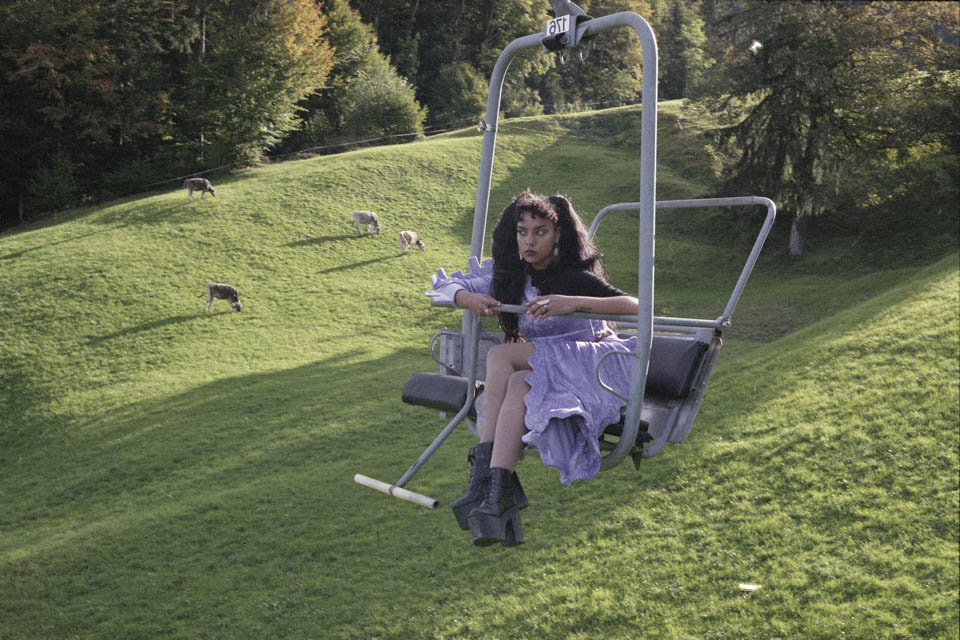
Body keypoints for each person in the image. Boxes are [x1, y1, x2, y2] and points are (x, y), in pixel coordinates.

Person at [427, 189, 640, 547]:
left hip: (590, 364)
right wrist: (470, 298)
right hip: (547, 368)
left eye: (540, 232)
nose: (529, 241)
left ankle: (480, 479)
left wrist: (573, 304)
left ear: (557, 235)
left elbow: (635, 305)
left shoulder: (572, 277)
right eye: (522, 232)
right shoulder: (513, 276)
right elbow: (443, 287)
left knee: (500, 356)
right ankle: (498, 492)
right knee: (518, 384)